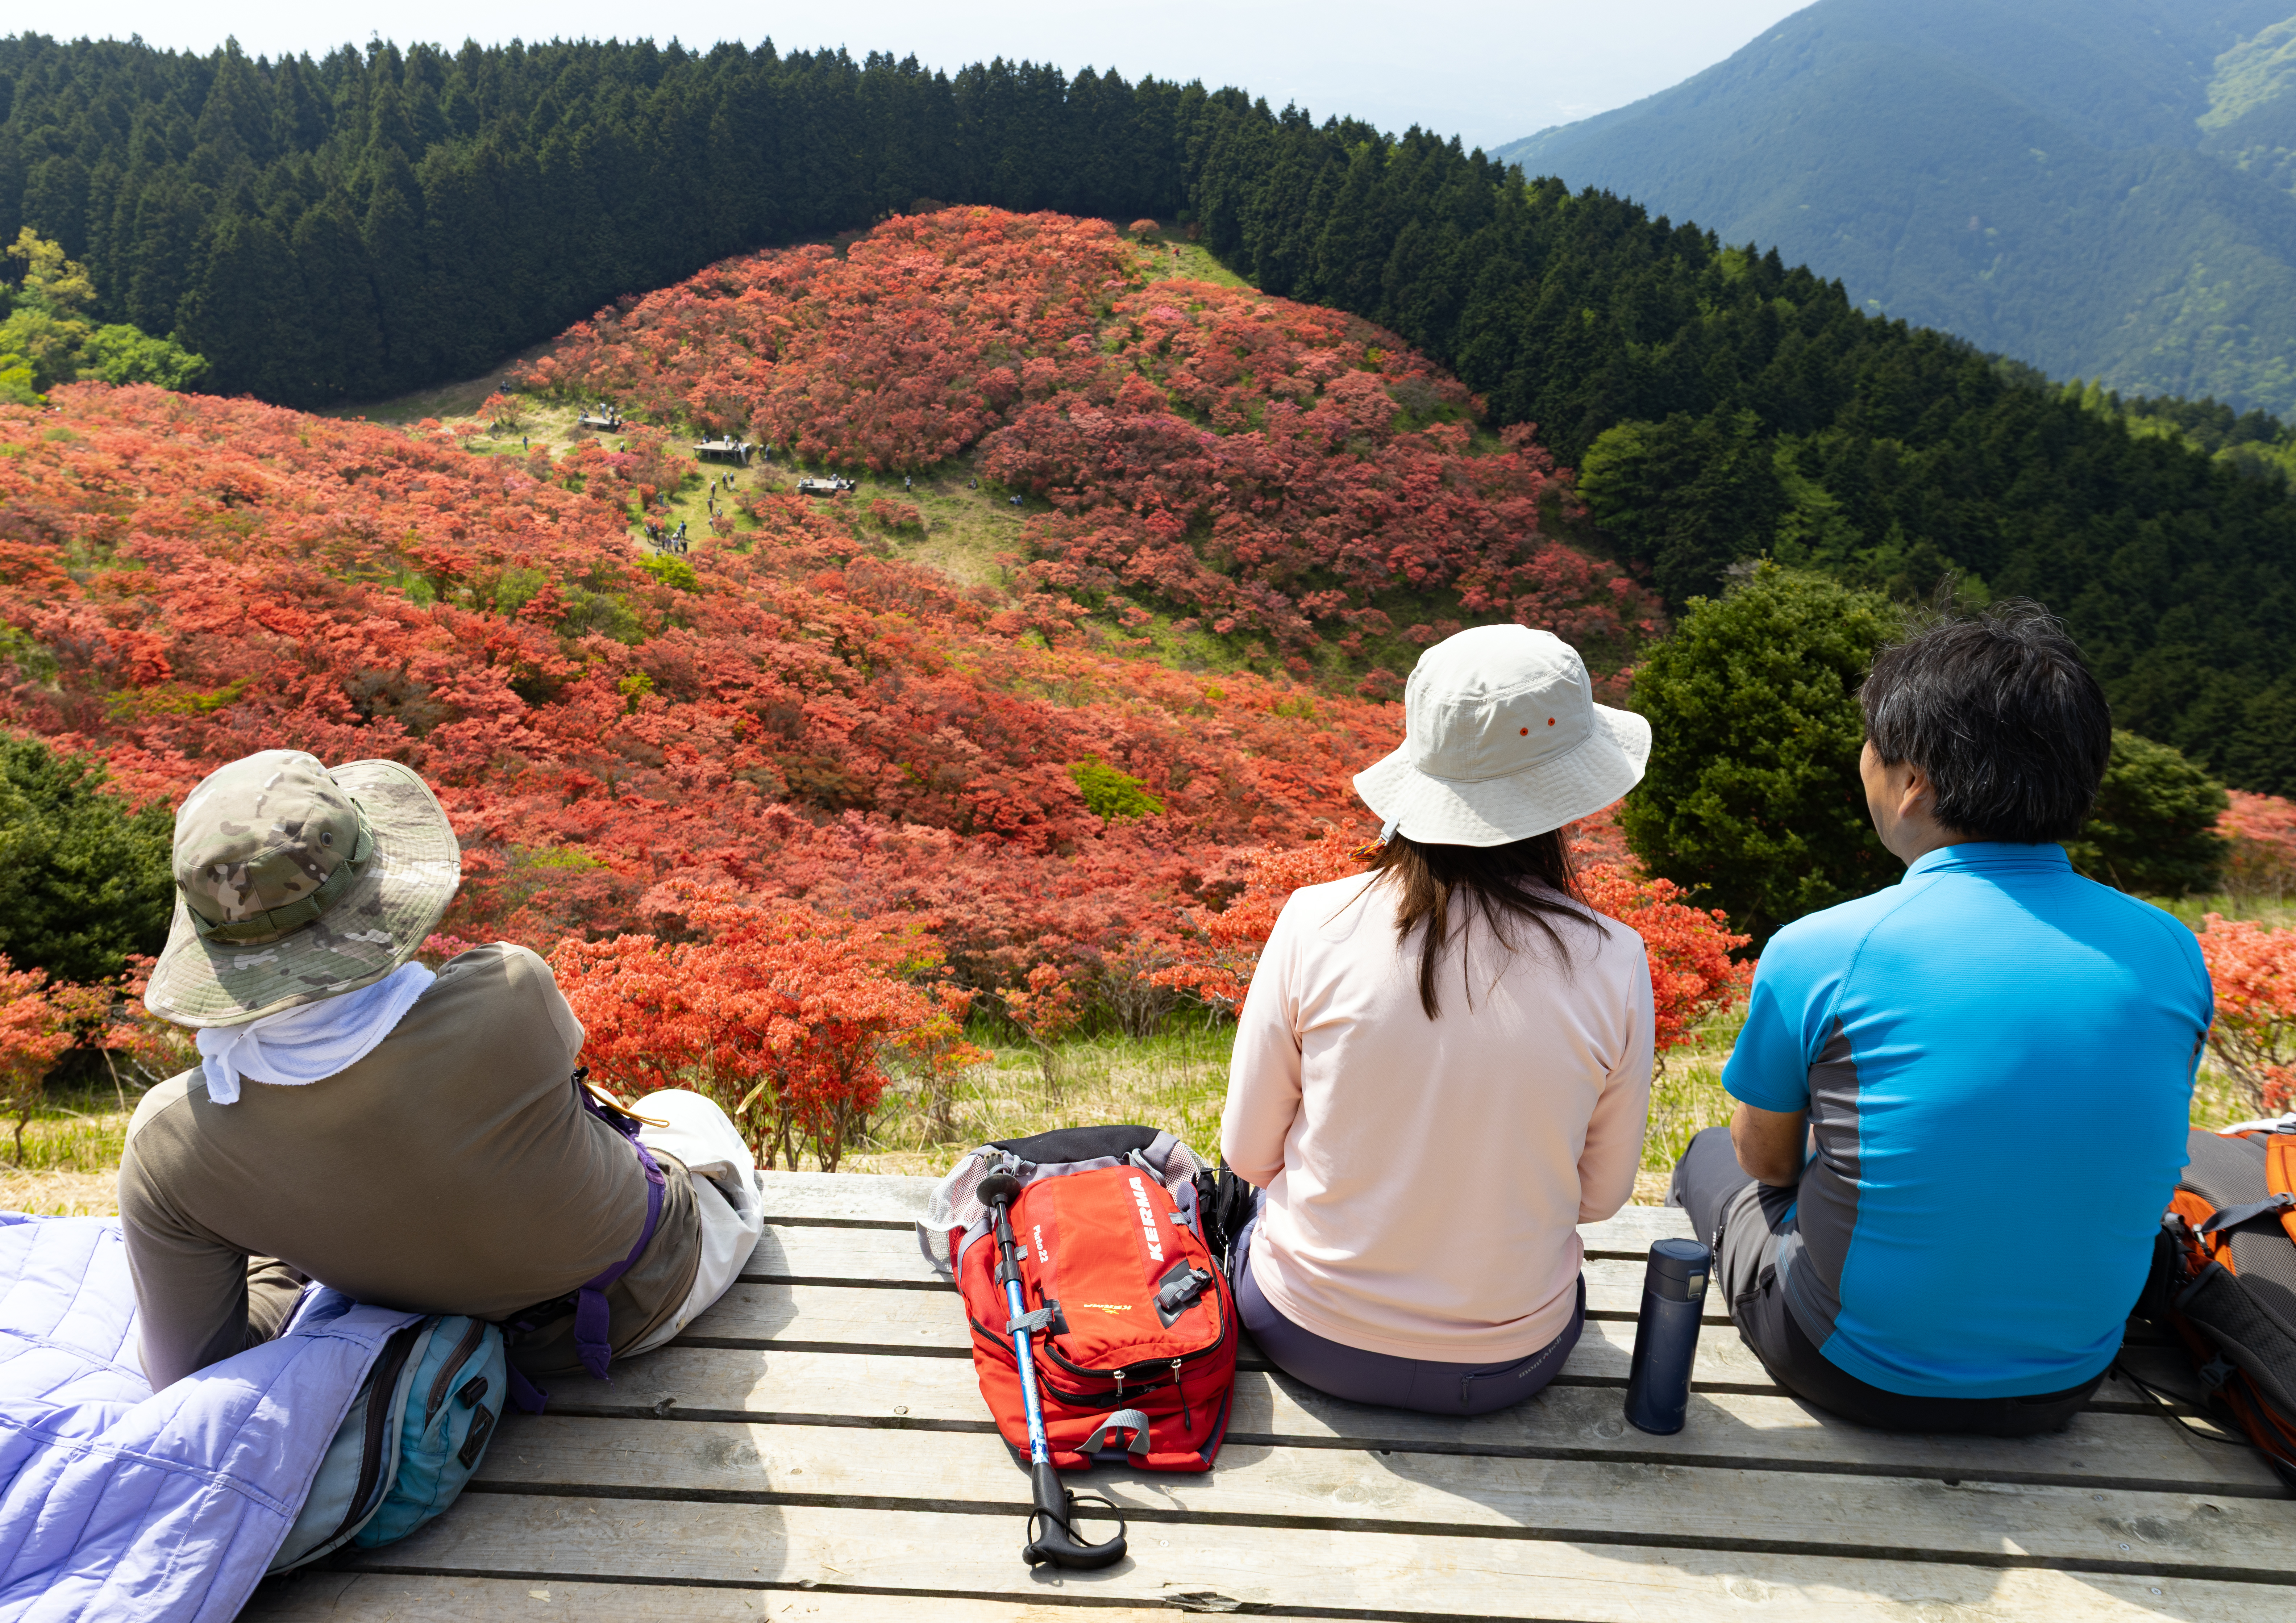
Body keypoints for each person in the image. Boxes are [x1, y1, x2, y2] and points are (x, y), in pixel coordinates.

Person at [1669, 608, 2212, 1435]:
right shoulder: (2170, 948)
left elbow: (1767, 1159)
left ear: (1913, 780)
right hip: (2069, 1378)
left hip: (1854, 1368)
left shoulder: (1826, 947)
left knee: (1712, 1153)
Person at [118, 750, 763, 1394]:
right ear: (374, 885)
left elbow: (187, 1372)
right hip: (653, 1296)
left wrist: (282, 1260)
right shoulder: (509, 987)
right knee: (683, 1109)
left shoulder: (170, 1146)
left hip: (448, 1369)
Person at [1221, 625, 1656, 1415]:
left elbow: (1249, 1156)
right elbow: (1599, 1197)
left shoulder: (1313, 920)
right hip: (1509, 1361)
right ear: (1569, 792)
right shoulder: (1616, 959)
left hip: (1303, 1331)